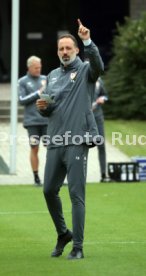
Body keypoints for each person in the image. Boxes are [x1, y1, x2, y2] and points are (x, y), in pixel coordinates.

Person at [36, 19, 104, 259]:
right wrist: (43, 107)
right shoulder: (52, 75)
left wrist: (87, 40)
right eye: (61, 49)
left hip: (77, 140)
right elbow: (48, 108)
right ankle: (63, 233)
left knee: (76, 195)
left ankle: (78, 247)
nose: (64, 52)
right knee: (48, 191)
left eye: (68, 48)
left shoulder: (86, 69)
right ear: (58, 52)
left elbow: (98, 65)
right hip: (55, 140)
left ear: (76, 50)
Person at [18, 56, 48, 186]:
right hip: (32, 122)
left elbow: (52, 96)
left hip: (47, 120)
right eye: (36, 68)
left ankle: (53, 177)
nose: (38, 69)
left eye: (40, 67)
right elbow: (21, 100)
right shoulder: (22, 81)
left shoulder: (45, 79)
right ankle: (36, 177)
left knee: (53, 148)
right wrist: (38, 93)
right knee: (34, 148)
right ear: (29, 68)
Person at [92, 77, 110, 182]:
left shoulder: (99, 80)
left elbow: (105, 95)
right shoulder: (78, 79)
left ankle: (103, 174)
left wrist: (103, 98)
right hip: (82, 119)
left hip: (98, 117)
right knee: (79, 146)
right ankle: (77, 176)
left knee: (101, 146)